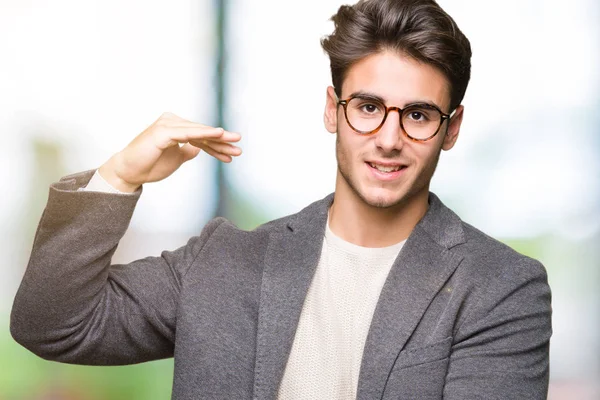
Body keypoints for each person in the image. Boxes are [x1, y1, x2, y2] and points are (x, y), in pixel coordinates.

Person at [10, 0, 552, 399]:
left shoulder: (502, 290)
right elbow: (51, 323)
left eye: (417, 114)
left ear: (450, 128)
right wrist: (120, 175)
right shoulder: (223, 263)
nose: (389, 138)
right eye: (367, 107)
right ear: (331, 109)